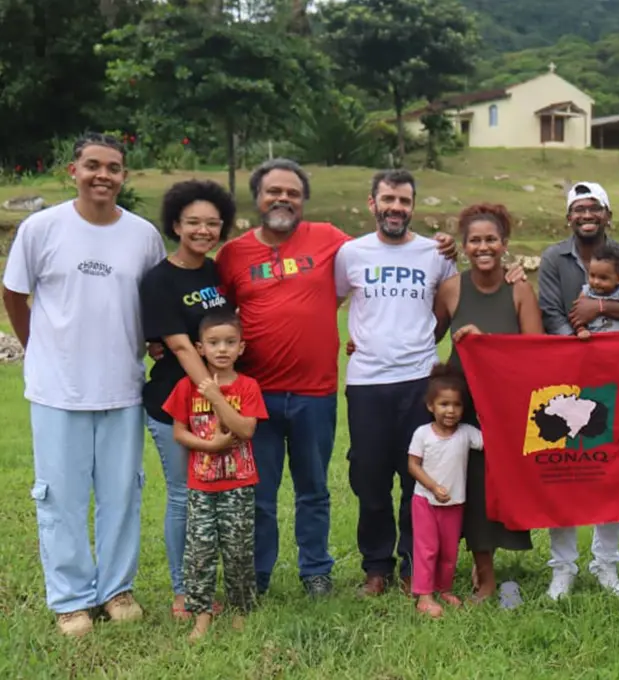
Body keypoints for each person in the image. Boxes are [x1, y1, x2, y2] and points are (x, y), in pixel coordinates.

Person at [215, 158, 458, 597]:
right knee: (286, 490)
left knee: (354, 485)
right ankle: (274, 577)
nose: (283, 199)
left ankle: (347, 572)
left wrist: (422, 330)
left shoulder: (354, 244)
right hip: (286, 390)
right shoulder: (245, 253)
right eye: (275, 191)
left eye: (404, 200)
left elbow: (441, 299)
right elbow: (216, 312)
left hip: (351, 388)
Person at [2, 133, 165, 636]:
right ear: (72, 170)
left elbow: (154, 305)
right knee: (61, 496)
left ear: (124, 176)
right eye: (92, 165)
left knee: (122, 492)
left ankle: (116, 589)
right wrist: (41, 351)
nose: (102, 175)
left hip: (121, 386)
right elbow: (15, 295)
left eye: (113, 167)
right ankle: (71, 600)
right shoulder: (42, 228)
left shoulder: (143, 236)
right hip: (57, 390)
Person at [334, 169, 457, 597]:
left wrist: (424, 340)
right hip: (367, 382)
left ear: (413, 207)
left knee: (416, 477)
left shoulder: (435, 254)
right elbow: (332, 302)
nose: (396, 208)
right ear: (372, 203)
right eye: (388, 199)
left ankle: (412, 564)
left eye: (405, 201)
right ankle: (376, 566)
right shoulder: (350, 253)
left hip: (419, 380)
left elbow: (447, 308)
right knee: (368, 477)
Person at [537, 180, 619, 599]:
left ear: (608, 214)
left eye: (594, 209)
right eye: (578, 210)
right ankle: (563, 567)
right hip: (565, 377)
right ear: (568, 216)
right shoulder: (554, 257)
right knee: (564, 470)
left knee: (611, 468)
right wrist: (579, 347)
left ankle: (606, 564)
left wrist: (603, 308)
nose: (586, 216)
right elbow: (551, 312)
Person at [436, 203, 542, 607]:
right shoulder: (451, 289)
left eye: (491, 239)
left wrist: (487, 344)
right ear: (463, 247)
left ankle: (496, 569)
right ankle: (482, 574)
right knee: (468, 489)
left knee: (497, 490)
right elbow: (423, 334)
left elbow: (535, 353)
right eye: (475, 240)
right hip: (459, 407)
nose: (484, 246)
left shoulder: (519, 289)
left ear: (504, 245)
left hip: (506, 406)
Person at [139, 179, 236, 620]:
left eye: (212, 223)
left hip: (216, 401)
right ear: (175, 224)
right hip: (175, 402)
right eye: (193, 222)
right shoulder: (159, 279)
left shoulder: (215, 272)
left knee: (213, 495)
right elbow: (179, 346)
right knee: (184, 496)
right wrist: (218, 398)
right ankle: (183, 594)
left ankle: (206, 583)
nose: (203, 230)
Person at [161, 310, 268, 642]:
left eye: (230, 342)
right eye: (213, 343)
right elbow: (179, 433)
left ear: (241, 348)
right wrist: (210, 445)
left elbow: (246, 429)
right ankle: (201, 614)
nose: (222, 349)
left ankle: (240, 610)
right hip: (201, 486)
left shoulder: (248, 386)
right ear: (200, 348)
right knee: (200, 552)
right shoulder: (186, 387)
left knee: (238, 551)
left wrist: (215, 397)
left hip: (239, 484)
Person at [407, 363, 483, 618]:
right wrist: (433, 486)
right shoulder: (422, 434)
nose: (450, 411)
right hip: (425, 502)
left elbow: (490, 440)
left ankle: (444, 588)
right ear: (431, 406)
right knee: (427, 549)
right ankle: (424, 595)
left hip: (454, 503)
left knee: (449, 550)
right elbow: (413, 465)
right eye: (443, 404)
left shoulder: (467, 433)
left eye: (456, 405)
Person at [573, 244, 619, 341]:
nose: (596, 282)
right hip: (594, 341)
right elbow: (577, 314)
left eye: (603, 278)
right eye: (592, 275)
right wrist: (581, 329)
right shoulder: (587, 291)